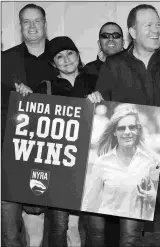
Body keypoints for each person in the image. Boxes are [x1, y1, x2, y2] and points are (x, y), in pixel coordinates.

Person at [87, 4, 160, 247]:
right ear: (133, 32)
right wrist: (94, 103)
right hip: (129, 166)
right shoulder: (114, 65)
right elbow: (103, 116)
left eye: (158, 24)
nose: (156, 30)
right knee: (130, 238)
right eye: (149, 25)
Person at [33, 36, 96, 247]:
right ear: (53, 63)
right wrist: (26, 97)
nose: (66, 59)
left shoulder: (96, 82)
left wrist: (102, 100)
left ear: (78, 55)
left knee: (96, 226)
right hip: (60, 167)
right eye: (59, 56)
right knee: (59, 225)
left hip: (92, 165)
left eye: (70, 53)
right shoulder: (45, 87)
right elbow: (34, 125)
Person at [1, 4, 56, 247]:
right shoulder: (5, 60)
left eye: (37, 21)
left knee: (57, 224)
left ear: (45, 23)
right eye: (26, 21)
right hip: (11, 150)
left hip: (52, 151)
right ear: (20, 25)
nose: (32, 26)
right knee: (10, 228)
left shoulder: (62, 56)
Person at [78, 21, 125, 246]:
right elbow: (77, 109)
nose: (111, 39)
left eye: (116, 35)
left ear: (124, 40)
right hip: (95, 155)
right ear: (99, 42)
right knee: (95, 224)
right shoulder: (87, 72)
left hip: (125, 151)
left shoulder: (136, 69)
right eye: (105, 36)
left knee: (125, 221)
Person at [81, 104, 159, 221]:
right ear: (114, 132)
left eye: (132, 127)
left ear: (137, 130)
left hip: (135, 222)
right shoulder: (102, 163)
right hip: (107, 221)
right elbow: (89, 202)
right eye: (121, 128)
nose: (127, 132)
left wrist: (154, 197)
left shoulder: (150, 161)